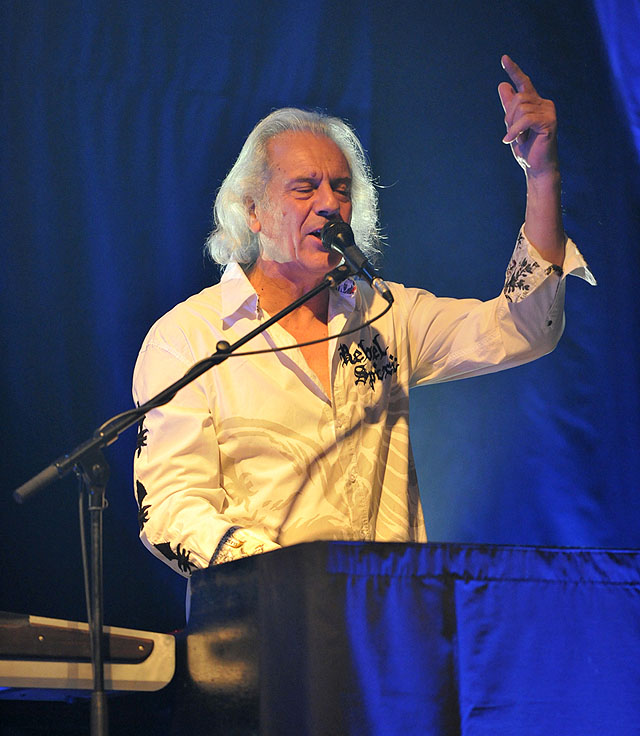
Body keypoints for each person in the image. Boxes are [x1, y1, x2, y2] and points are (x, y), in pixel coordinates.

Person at [132, 56, 594, 578]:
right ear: (252, 211)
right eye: (305, 188)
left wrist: (542, 175)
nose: (330, 204)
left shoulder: (385, 315)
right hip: (264, 616)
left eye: (342, 188)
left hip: (393, 616)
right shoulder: (187, 339)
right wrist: (285, 576)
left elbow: (525, 329)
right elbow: (171, 508)